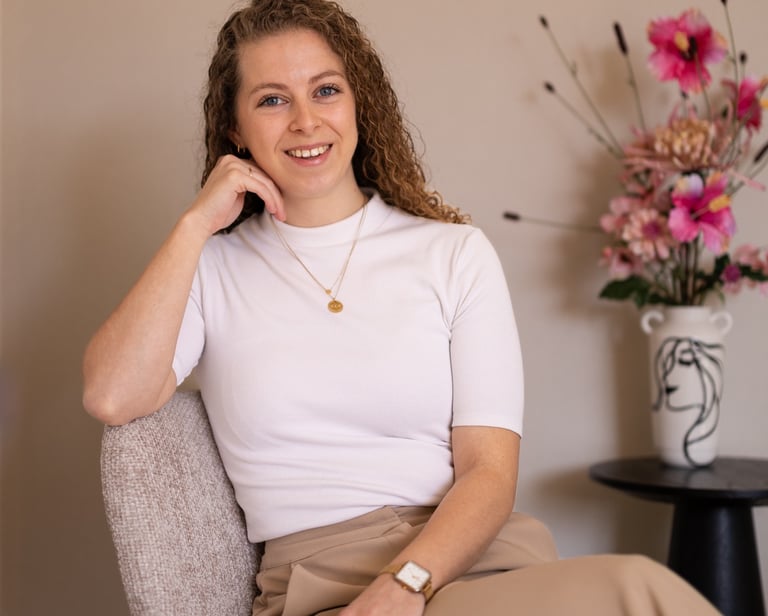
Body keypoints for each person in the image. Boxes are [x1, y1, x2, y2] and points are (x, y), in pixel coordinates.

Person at [82, 1, 723, 614]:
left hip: (472, 559)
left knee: (634, 590)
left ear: (360, 102)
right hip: (322, 582)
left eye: (326, 90)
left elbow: (488, 472)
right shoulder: (210, 268)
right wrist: (193, 226)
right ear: (235, 131)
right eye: (272, 100)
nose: (306, 121)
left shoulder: (454, 254)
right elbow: (113, 396)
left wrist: (409, 580)